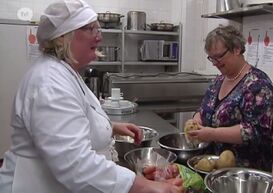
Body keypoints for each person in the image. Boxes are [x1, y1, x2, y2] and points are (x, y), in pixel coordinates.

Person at [0, 1, 182, 193]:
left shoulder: (65, 71)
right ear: (64, 37)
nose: (99, 35)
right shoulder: (50, 83)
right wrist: (144, 187)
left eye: (98, 28)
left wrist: (110, 128)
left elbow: (70, 122)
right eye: (90, 29)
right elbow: (75, 164)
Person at [186, 25, 273, 172]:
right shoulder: (219, 81)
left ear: (236, 49)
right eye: (211, 58)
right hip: (214, 168)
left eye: (219, 56)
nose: (215, 63)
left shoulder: (258, 85)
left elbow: (255, 131)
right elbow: (204, 109)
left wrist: (212, 134)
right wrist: (197, 119)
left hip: (244, 174)